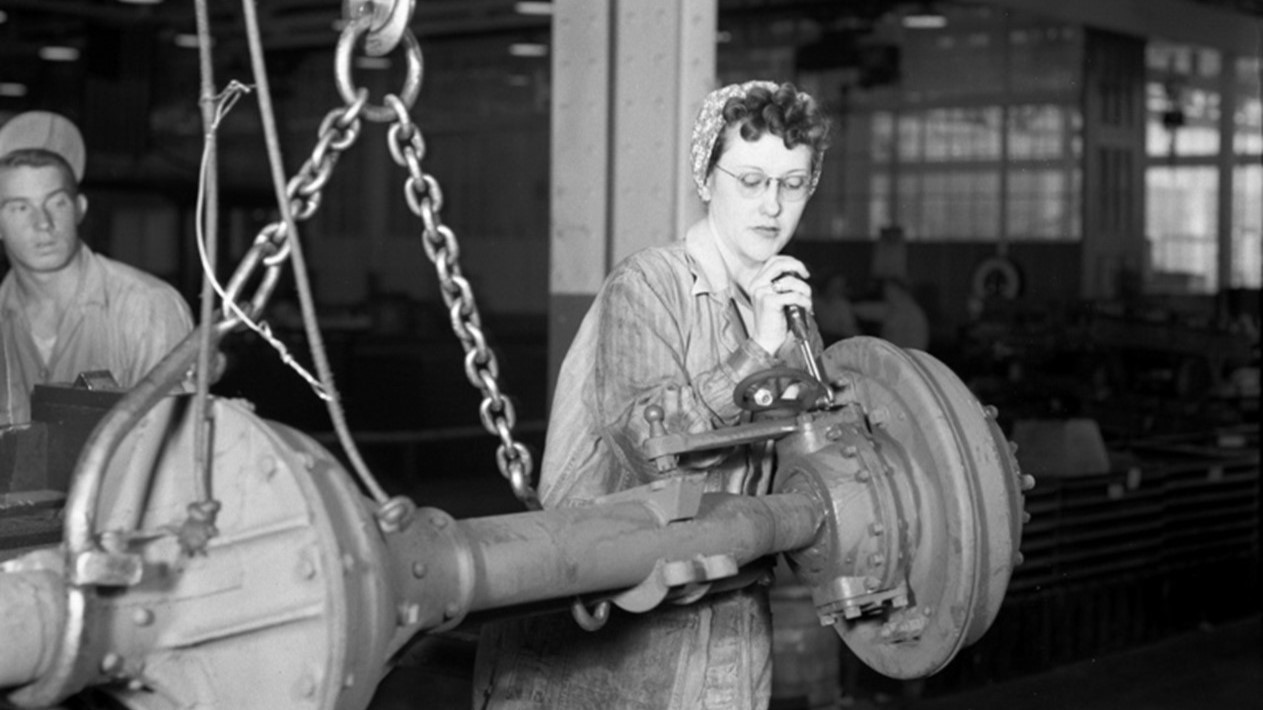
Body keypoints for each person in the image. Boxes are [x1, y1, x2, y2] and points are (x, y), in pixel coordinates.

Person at [473, 80, 831, 709]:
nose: (771, 205)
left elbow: (815, 466)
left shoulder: (786, 310)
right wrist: (755, 352)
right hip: (613, 624)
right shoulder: (646, 287)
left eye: (792, 183)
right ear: (706, 179)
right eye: (750, 180)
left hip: (730, 619)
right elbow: (652, 446)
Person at [0, 111, 194, 427]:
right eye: (21, 207)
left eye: (57, 202)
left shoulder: (147, 308)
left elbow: (172, 450)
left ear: (79, 209)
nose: (43, 223)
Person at [851, 277, 930, 351]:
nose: (886, 294)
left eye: (889, 290)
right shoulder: (894, 307)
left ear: (899, 290)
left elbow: (915, 344)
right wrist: (850, 307)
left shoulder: (910, 313)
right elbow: (872, 310)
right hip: (895, 355)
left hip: (904, 358)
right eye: (885, 290)